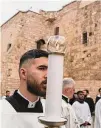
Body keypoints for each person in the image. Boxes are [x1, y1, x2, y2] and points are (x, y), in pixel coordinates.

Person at [1, 49, 49, 128]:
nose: (48, 75)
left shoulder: (52, 112)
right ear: (23, 73)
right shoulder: (2, 109)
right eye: (42, 68)